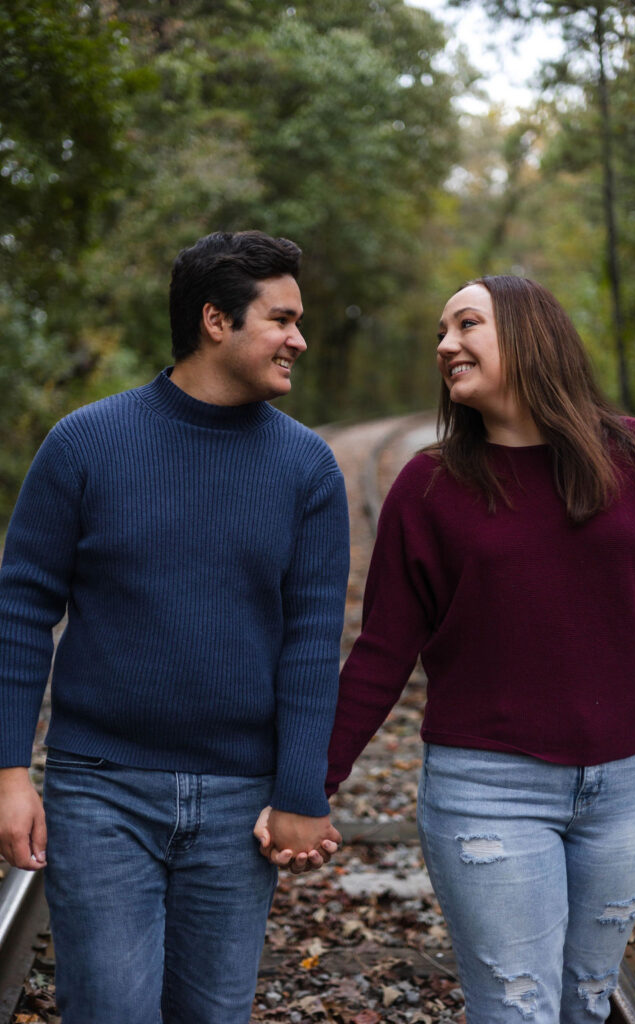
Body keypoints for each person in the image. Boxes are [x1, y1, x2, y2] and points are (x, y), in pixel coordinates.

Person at [0, 229, 349, 1024]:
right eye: (281, 318)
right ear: (215, 321)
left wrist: (301, 788)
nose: (298, 338)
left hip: (239, 802)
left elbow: (308, 641)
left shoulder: (307, 469)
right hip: (100, 791)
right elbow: (20, 612)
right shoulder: (85, 444)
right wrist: (8, 770)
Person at [325, 275, 635, 1024]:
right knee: (516, 1009)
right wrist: (309, 781)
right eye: (439, 334)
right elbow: (383, 651)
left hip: (632, 785)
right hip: (487, 790)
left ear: (530, 334)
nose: (444, 345)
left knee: (584, 1001)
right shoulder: (430, 487)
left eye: (465, 324)